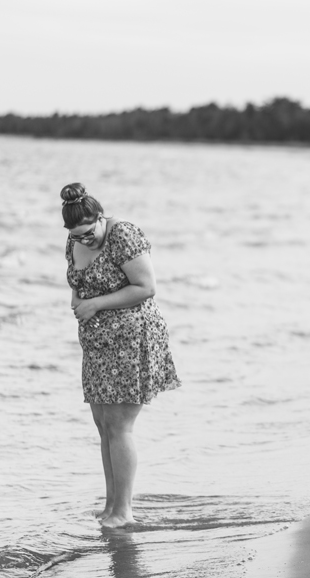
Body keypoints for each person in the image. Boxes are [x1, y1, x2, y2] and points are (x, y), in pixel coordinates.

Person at [61, 183, 181, 527]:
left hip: (132, 339)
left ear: (100, 217)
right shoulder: (75, 240)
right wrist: (78, 300)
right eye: (77, 236)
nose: (84, 241)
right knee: (103, 425)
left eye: (89, 233)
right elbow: (77, 282)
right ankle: (111, 505)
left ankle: (124, 511)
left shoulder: (123, 235)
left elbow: (146, 287)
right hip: (98, 345)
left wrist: (95, 304)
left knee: (119, 425)